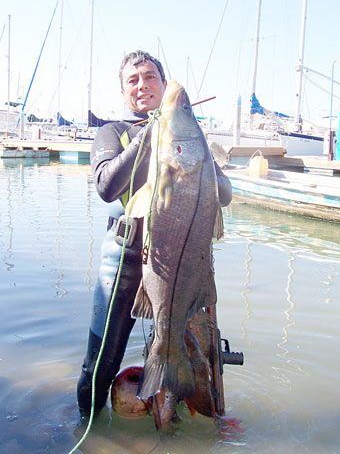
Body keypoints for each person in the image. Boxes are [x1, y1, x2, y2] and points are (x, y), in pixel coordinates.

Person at [77, 50, 232, 415]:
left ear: (163, 85)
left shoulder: (190, 139)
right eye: (133, 80)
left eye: (150, 77)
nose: (142, 85)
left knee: (196, 357)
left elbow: (223, 195)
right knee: (100, 364)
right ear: (123, 91)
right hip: (123, 264)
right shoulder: (113, 132)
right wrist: (148, 136)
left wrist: (205, 158)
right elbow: (106, 186)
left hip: (182, 263)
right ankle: (89, 427)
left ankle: (182, 421)